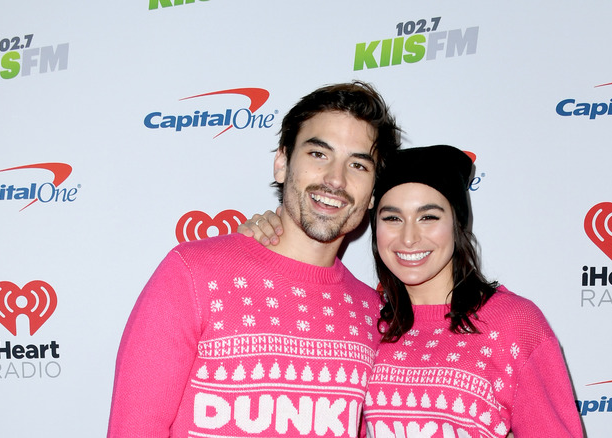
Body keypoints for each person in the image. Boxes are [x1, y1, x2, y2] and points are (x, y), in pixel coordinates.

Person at [107, 81, 401, 438]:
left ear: (372, 195)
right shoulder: (193, 275)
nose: (335, 180)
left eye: (358, 165)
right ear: (281, 163)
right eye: (318, 154)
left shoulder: (373, 313)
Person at [240, 145, 583, 437]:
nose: (408, 238)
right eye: (392, 219)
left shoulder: (513, 324)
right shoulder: (365, 320)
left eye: (428, 217)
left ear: (457, 224)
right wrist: (263, 240)